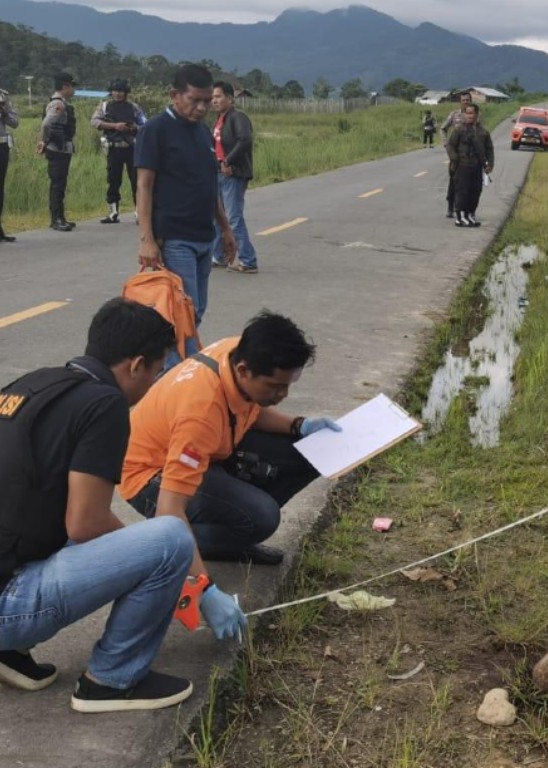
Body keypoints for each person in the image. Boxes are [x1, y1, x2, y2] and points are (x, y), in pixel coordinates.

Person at [0, 298, 209, 713]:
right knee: (168, 539)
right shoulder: (105, 404)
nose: (155, 383)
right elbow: (85, 523)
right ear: (135, 365)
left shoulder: (31, 384)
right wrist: (178, 573)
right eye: (156, 370)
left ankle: (9, 651)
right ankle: (111, 680)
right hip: (8, 601)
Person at [121, 311, 341, 567]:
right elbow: (169, 507)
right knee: (261, 517)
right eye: (275, 386)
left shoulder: (239, 352)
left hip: (204, 449)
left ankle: (232, 530)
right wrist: (202, 587)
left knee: (311, 450)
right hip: (150, 476)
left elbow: (248, 409)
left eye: (288, 385)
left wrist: (299, 425)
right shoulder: (200, 414)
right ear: (243, 371)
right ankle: (165, 543)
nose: (283, 394)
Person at [135, 63, 236, 369]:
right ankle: (179, 383)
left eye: (207, 100)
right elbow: (144, 185)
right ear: (174, 95)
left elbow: (210, 186)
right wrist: (147, 240)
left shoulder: (203, 132)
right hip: (175, 239)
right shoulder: (155, 130)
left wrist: (226, 229)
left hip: (205, 237)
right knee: (182, 319)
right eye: (195, 100)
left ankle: (163, 372)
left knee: (196, 312)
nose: (202, 107)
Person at [210, 81, 257, 274]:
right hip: (220, 173)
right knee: (218, 218)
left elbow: (245, 140)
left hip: (233, 174)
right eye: (212, 97)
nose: (214, 101)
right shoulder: (221, 120)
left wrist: (228, 162)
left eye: (219, 96)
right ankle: (220, 256)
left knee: (233, 217)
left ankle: (248, 259)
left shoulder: (238, 117)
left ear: (230, 98)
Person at [90, 78, 146, 224]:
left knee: (136, 181)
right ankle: (112, 212)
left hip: (132, 148)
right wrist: (114, 126)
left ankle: (139, 212)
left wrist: (133, 128)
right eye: (115, 91)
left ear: (126, 93)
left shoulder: (134, 107)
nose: (118, 94)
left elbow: (145, 125)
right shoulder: (104, 106)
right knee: (113, 181)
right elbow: (94, 122)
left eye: (121, 91)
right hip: (114, 148)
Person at [36, 72, 77, 232]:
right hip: (57, 148)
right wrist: (44, 141)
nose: (73, 90)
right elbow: (47, 124)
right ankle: (56, 219)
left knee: (61, 183)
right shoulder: (57, 104)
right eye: (72, 86)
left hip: (62, 148)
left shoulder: (62, 103)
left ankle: (61, 216)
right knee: (57, 184)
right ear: (65, 86)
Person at [446, 103, 494, 228]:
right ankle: (460, 216)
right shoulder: (459, 130)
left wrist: (490, 164)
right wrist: (454, 158)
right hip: (462, 166)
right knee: (463, 191)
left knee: (476, 191)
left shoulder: (483, 132)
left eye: (471, 113)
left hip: (477, 166)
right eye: (467, 113)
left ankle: (470, 214)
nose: (469, 116)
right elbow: (450, 146)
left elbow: (489, 149)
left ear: (477, 114)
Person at [440, 92, 472, 217]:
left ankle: (465, 208)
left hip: (470, 154)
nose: (465, 102)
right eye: (463, 100)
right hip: (456, 154)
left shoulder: (476, 115)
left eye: (468, 100)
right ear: (460, 101)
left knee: (469, 182)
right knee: (454, 181)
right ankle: (450, 206)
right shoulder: (454, 115)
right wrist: (446, 144)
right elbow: (443, 128)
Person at [0, 86, 18, 242]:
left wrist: (3, 111)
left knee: (0, 188)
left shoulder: (3, 97)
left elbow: (15, 122)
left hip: (1, 146)